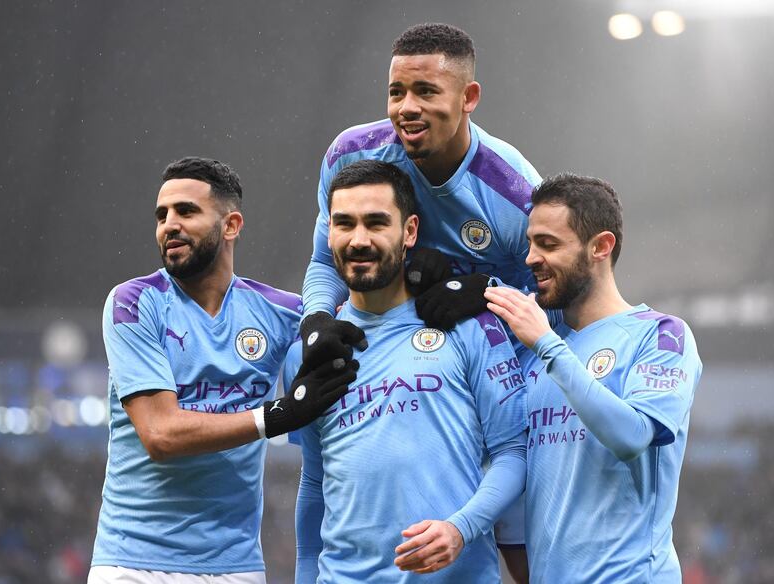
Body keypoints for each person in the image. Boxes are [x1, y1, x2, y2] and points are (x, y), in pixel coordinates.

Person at [299, 24, 541, 575]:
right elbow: (322, 260)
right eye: (396, 92)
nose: (406, 107)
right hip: (406, 340)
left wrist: (485, 290)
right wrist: (315, 318)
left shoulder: (512, 192)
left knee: (522, 543)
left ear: (468, 98)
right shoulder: (351, 154)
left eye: (426, 92)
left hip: (494, 360)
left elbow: (555, 300)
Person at [88, 157, 358, 584]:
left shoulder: (280, 312)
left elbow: (365, 323)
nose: (169, 225)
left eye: (186, 212)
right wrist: (277, 416)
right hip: (134, 564)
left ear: (231, 225)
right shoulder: (134, 303)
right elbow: (160, 434)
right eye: (162, 215)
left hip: (236, 566)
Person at [290, 160, 528, 583]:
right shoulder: (311, 351)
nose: (358, 240)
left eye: (376, 223)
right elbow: (314, 482)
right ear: (329, 233)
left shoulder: (470, 325)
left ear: (410, 231)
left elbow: (514, 454)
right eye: (344, 224)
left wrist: (461, 528)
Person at [484, 174, 702, 583]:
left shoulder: (659, 334)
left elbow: (633, 436)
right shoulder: (530, 346)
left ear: (601, 246)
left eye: (548, 244)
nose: (531, 258)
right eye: (530, 244)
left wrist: (548, 347)